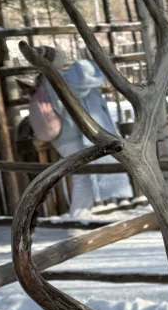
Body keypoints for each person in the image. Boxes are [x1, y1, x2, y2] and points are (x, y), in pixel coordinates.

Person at [32, 46, 129, 213]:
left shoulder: (48, 80)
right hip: (72, 137)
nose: (64, 61)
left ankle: (80, 217)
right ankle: (78, 218)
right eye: (60, 57)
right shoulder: (62, 80)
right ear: (51, 61)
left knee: (84, 177)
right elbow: (81, 81)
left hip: (64, 137)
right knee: (84, 177)